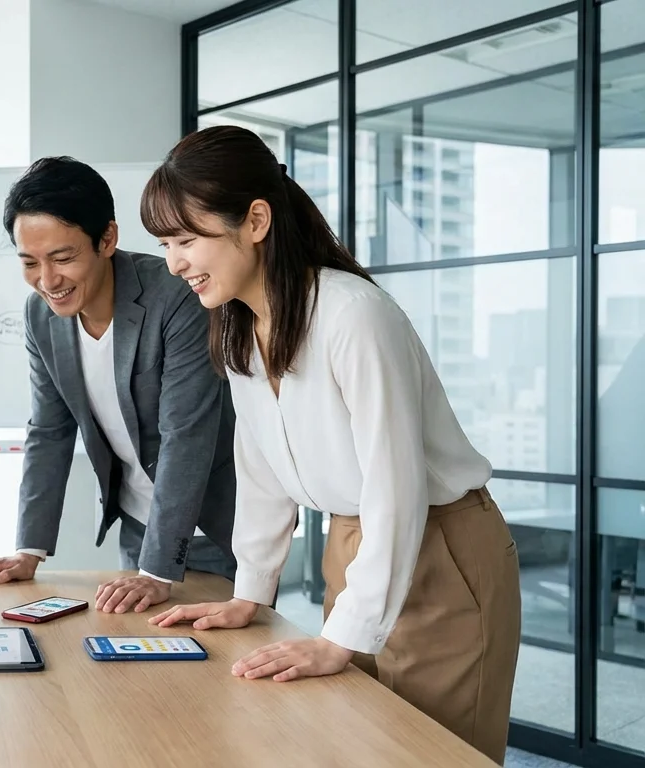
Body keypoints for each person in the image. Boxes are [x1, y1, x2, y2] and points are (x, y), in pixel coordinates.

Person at [141, 125, 519, 764]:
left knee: (440, 753)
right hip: (355, 545)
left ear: (255, 220)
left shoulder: (352, 314)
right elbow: (258, 472)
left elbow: (395, 486)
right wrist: (251, 589)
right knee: (361, 746)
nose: (174, 262)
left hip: (441, 546)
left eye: (185, 239)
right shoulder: (237, 327)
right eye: (164, 244)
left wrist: (341, 636)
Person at [0, 156, 237, 615]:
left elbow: (187, 434)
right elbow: (49, 430)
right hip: (139, 527)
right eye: (30, 262)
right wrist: (29, 550)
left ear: (107, 238)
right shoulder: (40, 314)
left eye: (63, 258)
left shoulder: (176, 297)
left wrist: (158, 571)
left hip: (214, 528)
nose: (47, 280)